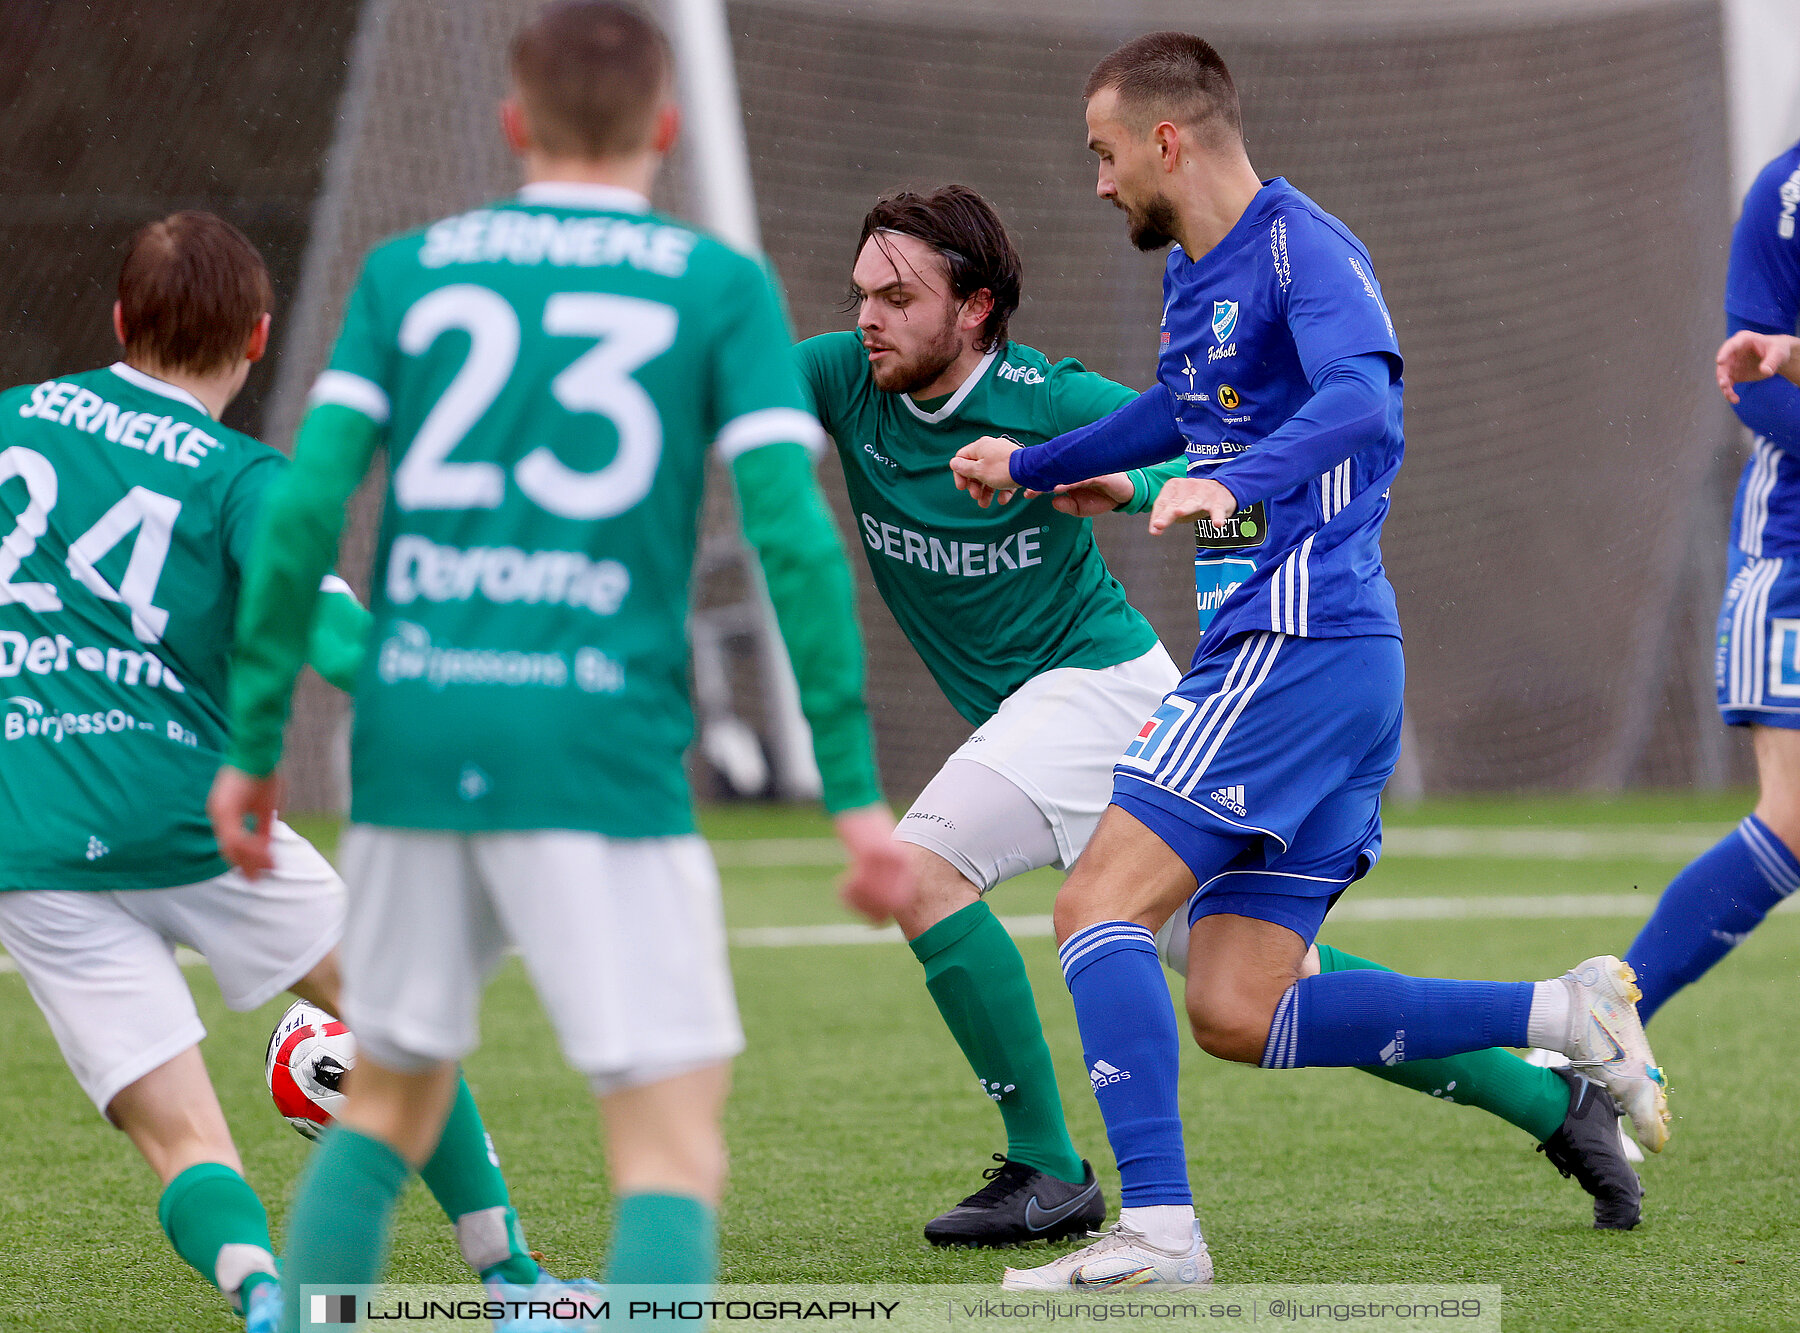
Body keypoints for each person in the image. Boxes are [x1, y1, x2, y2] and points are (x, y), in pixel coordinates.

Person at [204, 3, 910, 1328]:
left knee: (390, 1103)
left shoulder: (411, 271)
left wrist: (252, 746)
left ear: (514, 124)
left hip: (412, 733)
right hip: (596, 746)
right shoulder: (715, 285)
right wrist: (855, 791)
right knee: (667, 1146)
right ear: (666, 128)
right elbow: (793, 544)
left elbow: (302, 515)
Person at [949, 32, 1668, 1290]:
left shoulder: (1307, 249)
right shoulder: (1196, 272)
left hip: (1300, 640)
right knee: (1237, 1006)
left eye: (1106, 155)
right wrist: (1037, 463)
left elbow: (1362, 405)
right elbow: (1179, 409)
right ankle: (1565, 1018)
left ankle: (1160, 1233)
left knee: (1094, 905)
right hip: (1319, 662)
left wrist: (1230, 481)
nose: (1100, 182)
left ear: (1168, 140)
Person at [809, 183, 1644, 1240]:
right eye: (861, 295)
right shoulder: (848, 380)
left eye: (896, 295)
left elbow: (1206, 453)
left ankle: (1048, 1171)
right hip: (1071, 723)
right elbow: (729, 389)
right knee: (1251, 981)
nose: (868, 316)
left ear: (974, 308)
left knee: (923, 868)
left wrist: (1122, 480)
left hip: (1098, 693)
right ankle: (1550, 1093)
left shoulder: (1047, 396)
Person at [0, 212, 567, 1333]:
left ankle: (266, 1295)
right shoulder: (245, 479)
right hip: (194, 810)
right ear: (258, 340)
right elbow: (348, 647)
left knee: (179, 1135)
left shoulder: (13, 421)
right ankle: (514, 1286)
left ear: (119, 321)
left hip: (29, 834)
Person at [1623, 141, 1800, 1029]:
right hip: (1794, 547)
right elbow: (1754, 383)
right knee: (1797, 815)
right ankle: (1607, 1023)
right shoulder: (1786, 192)